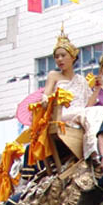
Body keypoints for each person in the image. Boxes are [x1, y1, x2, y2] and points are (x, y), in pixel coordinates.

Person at [42, 27, 97, 160]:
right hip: (62, 115)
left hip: (81, 115)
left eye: (63, 55)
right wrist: (45, 99)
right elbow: (46, 93)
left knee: (99, 111)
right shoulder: (54, 75)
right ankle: (93, 151)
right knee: (87, 115)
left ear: (72, 57)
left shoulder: (81, 80)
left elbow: (89, 105)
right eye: (56, 57)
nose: (59, 59)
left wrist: (98, 89)